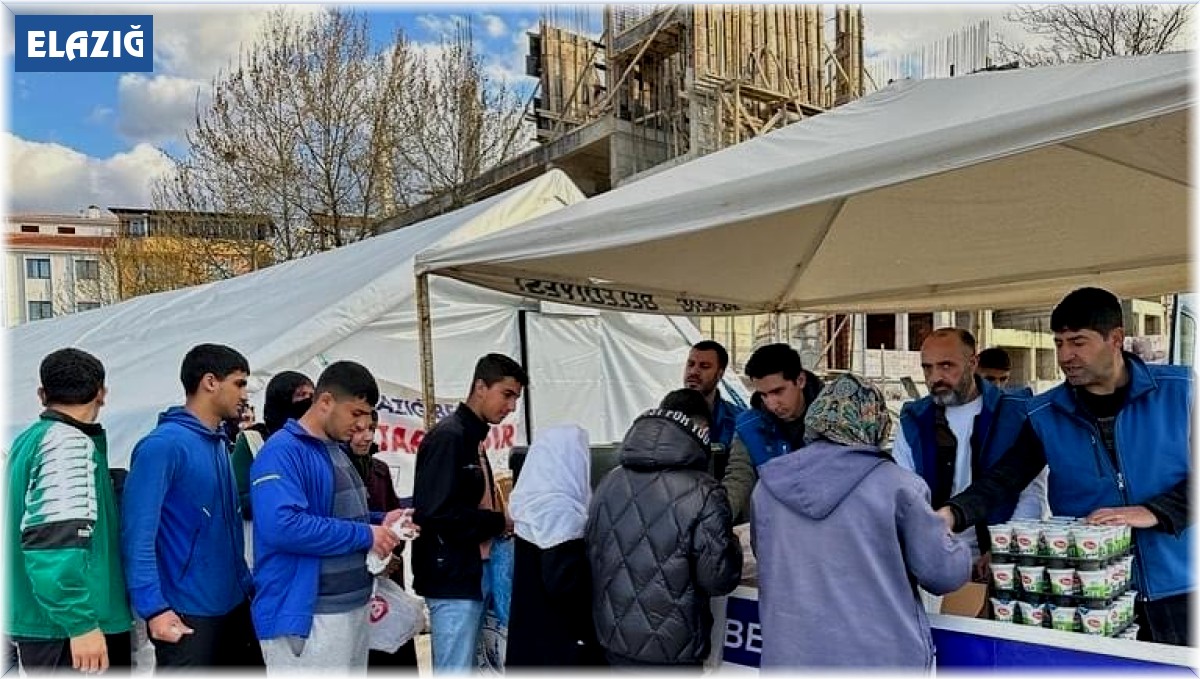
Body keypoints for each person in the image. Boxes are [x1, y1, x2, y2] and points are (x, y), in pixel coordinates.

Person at [938, 287, 1191, 646]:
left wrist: (1152, 512)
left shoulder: (1181, 392)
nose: (1065, 355)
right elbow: (1004, 478)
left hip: (1181, 587)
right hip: (1089, 599)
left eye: (1078, 342)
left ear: (1115, 339)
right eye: (1058, 343)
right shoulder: (1046, 413)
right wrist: (952, 513)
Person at [753, 374, 971, 668]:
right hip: (879, 657)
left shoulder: (767, 486)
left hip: (788, 656)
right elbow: (943, 574)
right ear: (876, 422)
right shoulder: (899, 486)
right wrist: (953, 540)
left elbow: (764, 554)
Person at [251, 361, 409, 673]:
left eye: (367, 415)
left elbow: (339, 516)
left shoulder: (333, 449)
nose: (362, 424)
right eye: (355, 413)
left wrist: (382, 521)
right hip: (309, 616)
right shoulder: (282, 452)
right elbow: (282, 526)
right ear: (325, 402)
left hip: (351, 607)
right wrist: (367, 535)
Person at [121, 344, 261, 668]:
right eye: (239, 383)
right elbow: (136, 535)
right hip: (187, 613)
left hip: (235, 605)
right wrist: (153, 608)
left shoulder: (218, 443)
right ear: (210, 382)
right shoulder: (162, 446)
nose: (245, 394)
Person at [586, 389, 742, 668]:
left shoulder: (609, 480)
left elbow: (594, 553)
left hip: (612, 639)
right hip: (674, 648)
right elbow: (717, 579)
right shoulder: (705, 491)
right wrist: (732, 545)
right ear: (701, 429)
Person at [7, 348, 133, 673]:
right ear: (101, 393)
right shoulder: (67, 443)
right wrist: (80, 624)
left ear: (42, 394)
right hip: (70, 630)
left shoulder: (27, 441)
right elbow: (54, 544)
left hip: (42, 622)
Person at [892, 328, 1048, 580]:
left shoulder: (1015, 414)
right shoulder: (914, 421)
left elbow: (1031, 492)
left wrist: (1005, 547)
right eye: (927, 368)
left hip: (1000, 558)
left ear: (972, 363)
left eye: (946, 366)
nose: (935, 377)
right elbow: (903, 494)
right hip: (933, 557)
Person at [411, 353, 526, 674]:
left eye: (516, 398)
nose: (511, 406)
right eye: (507, 394)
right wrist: (497, 521)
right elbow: (436, 512)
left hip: (474, 572)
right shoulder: (450, 436)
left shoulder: (472, 436)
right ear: (480, 386)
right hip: (452, 577)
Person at [505, 425, 604, 668]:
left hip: (530, 634)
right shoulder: (560, 512)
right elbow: (563, 584)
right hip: (559, 642)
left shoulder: (531, 502)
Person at [345, 410, 419, 672]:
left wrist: (394, 543)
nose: (366, 437)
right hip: (353, 580)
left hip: (387, 580)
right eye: (358, 429)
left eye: (371, 429)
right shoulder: (335, 470)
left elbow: (392, 515)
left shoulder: (380, 470)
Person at [723, 343, 824, 524]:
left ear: (800, 380)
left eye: (778, 392)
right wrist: (716, 518)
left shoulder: (834, 421)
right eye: (763, 394)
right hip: (771, 529)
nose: (772, 403)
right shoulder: (748, 425)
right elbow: (739, 478)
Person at [231, 371, 315, 566]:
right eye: (301, 395)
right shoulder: (253, 441)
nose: (309, 402)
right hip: (264, 552)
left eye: (313, 396)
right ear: (281, 399)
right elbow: (238, 497)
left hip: (307, 547)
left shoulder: (316, 443)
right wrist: (283, 498)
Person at [683, 340, 746, 480]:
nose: (693, 372)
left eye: (704, 366)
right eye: (690, 364)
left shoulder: (739, 420)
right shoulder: (666, 414)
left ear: (720, 374)